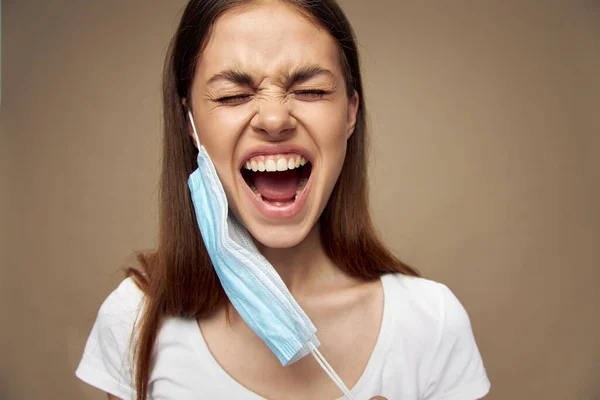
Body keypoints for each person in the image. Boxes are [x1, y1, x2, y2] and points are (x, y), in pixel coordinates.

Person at [75, 0, 491, 399]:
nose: (275, 120)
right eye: (233, 96)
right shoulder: (135, 318)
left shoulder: (431, 322)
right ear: (190, 122)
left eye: (310, 91)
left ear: (350, 113)